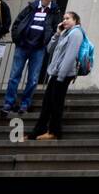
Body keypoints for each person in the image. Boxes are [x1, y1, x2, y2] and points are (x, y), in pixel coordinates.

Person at [1, 0, 59, 119]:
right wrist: (17, 39)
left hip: (38, 49)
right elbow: (17, 23)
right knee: (14, 76)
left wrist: (46, 42)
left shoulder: (55, 11)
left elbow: (56, 28)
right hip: (23, 46)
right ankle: (8, 103)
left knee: (33, 79)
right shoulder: (31, 7)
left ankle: (25, 104)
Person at [26, 11, 84, 142]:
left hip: (63, 75)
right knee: (47, 103)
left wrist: (61, 76)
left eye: (68, 18)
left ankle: (54, 132)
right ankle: (38, 131)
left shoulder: (76, 33)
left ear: (76, 20)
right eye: (64, 19)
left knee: (56, 103)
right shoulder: (66, 33)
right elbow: (50, 49)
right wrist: (57, 33)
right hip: (57, 73)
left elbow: (70, 57)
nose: (64, 21)